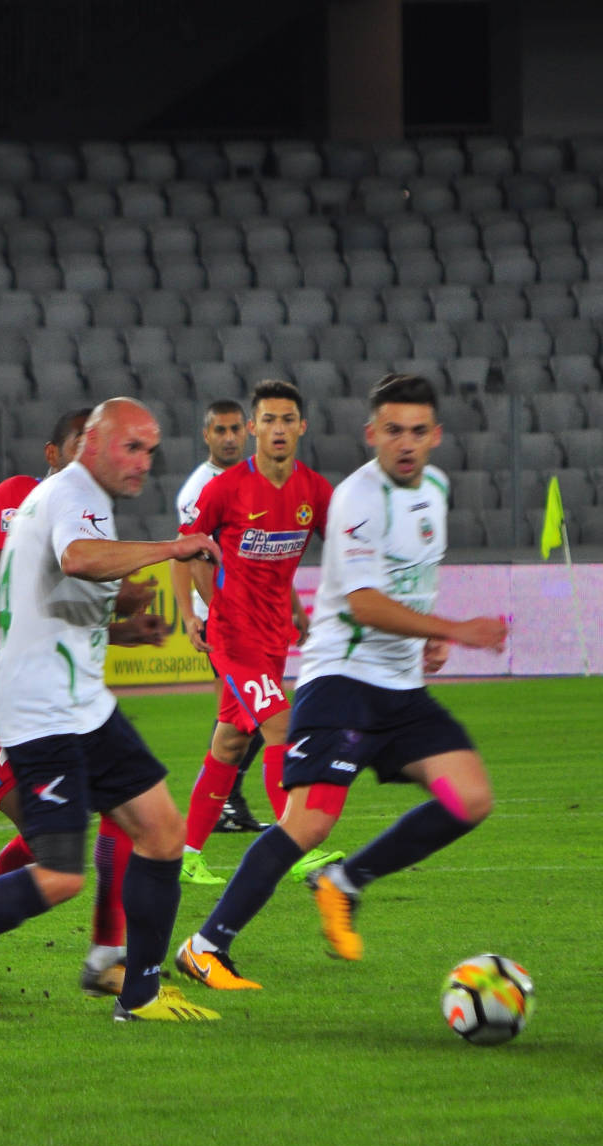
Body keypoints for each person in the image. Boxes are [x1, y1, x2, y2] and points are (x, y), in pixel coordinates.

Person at [0, 397, 224, 1030]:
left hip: (74, 701)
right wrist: (169, 549)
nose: (144, 461)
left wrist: (115, 627)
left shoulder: (76, 506)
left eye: (150, 449)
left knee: (156, 830)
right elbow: (58, 566)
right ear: (79, 448)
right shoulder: (51, 496)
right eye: (131, 447)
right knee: (57, 862)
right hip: (1, 700)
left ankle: (129, 983)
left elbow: (37, 596)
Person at [174, 374, 507, 992]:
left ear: (435, 436)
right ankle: (205, 942)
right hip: (335, 679)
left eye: (417, 431)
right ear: (371, 434)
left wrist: (426, 636)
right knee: (304, 813)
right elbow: (359, 601)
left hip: (391, 684)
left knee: (471, 796)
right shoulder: (349, 496)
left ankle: (343, 881)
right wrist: (452, 628)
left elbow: (399, 580)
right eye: (392, 430)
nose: (405, 443)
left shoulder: (426, 490)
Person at [0, 407, 169, 1017]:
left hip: (24, 691)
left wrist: (122, 629)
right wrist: (114, 593)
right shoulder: (19, 496)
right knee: (47, 826)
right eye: (80, 445)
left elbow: (44, 621)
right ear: (55, 454)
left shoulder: (75, 519)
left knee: (124, 807)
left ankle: (108, 959)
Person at [176, 380, 343, 889]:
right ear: (254, 428)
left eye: (286, 419)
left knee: (229, 743)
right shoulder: (224, 489)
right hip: (232, 636)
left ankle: (184, 854)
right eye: (267, 420)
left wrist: (305, 609)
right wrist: (191, 615)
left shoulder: (314, 490)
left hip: (273, 636)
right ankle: (292, 846)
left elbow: (342, 549)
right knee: (281, 728)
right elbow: (184, 551)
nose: (277, 428)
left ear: (301, 427)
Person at [171, 400, 264, 840]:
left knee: (245, 713)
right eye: (219, 430)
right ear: (206, 435)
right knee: (257, 711)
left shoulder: (251, 477)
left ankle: (228, 801)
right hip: (224, 618)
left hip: (253, 615)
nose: (228, 437)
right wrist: (193, 616)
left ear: (246, 431)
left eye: (234, 429)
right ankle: (224, 800)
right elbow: (183, 554)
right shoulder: (198, 489)